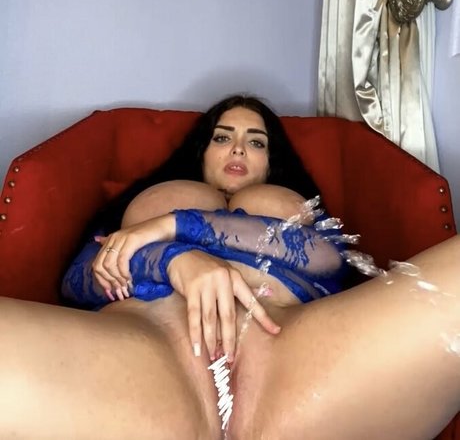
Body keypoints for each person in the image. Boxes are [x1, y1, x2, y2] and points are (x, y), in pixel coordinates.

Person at [1, 94, 460, 439]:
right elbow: (78, 281)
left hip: (295, 359)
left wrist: (172, 226)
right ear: (201, 149)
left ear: (271, 160)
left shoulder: (295, 202)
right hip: (144, 354)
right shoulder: (145, 196)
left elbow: (327, 259)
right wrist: (174, 259)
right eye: (222, 137)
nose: (238, 149)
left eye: (255, 142)